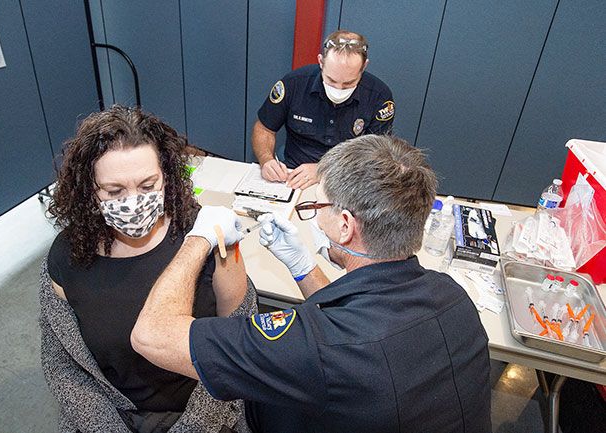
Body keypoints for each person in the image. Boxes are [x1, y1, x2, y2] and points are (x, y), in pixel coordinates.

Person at [131, 134, 492, 432]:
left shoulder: (314, 348)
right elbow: (360, 327)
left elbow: (152, 335)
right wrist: (303, 267)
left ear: (346, 226)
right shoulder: (453, 296)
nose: (316, 220)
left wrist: (200, 237)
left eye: (318, 208)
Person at [39, 105, 256, 433]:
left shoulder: (206, 235)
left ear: (167, 177)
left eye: (147, 185)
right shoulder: (66, 258)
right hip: (114, 418)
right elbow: (63, 367)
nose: (133, 201)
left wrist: (192, 427)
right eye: (114, 191)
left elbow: (241, 343)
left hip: (203, 418)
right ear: (90, 190)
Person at [252, 29, 395, 190]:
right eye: (331, 80)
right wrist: (266, 160)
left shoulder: (379, 97)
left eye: (349, 83)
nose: (339, 89)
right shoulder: (294, 84)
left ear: (364, 67)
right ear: (321, 62)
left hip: (347, 179)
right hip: (292, 174)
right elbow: (264, 128)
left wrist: (323, 171)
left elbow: (377, 156)